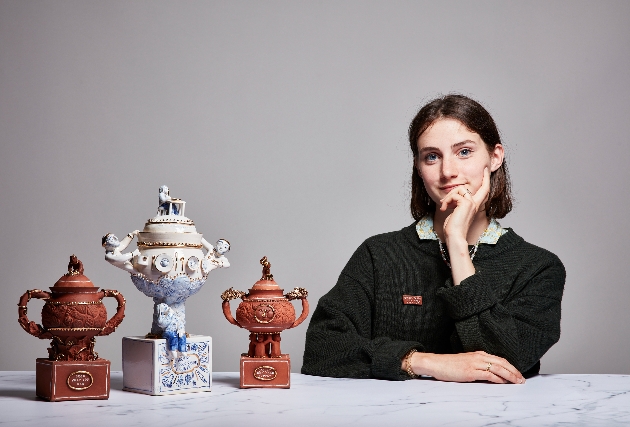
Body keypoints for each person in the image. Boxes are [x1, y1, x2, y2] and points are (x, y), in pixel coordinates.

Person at [301, 94, 565, 384]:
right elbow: (322, 350)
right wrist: (424, 362)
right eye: (432, 156)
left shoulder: (539, 267)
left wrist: (456, 243)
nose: (448, 172)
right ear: (418, 167)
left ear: (495, 156)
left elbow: (504, 362)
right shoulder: (379, 254)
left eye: (464, 152)